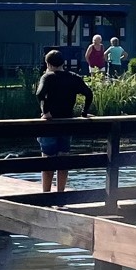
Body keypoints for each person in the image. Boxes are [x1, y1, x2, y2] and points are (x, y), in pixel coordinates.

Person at [33, 47, 93, 194]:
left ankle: (46, 195)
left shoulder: (48, 77)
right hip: (67, 123)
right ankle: (61, 194)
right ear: (63, 63)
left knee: (47, 160)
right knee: (63, 160)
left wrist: (46, 112)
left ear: (48, 63)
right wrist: (84, 112)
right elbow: (89, 94)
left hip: (50, 124)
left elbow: (40, 94)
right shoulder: (73, 77)